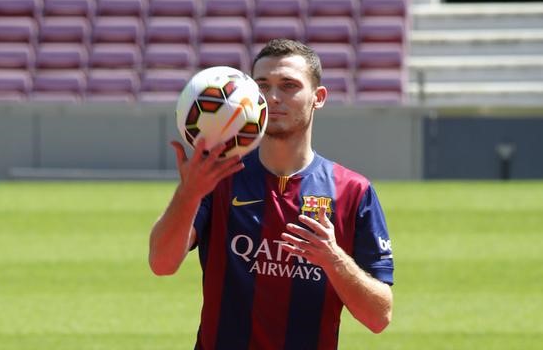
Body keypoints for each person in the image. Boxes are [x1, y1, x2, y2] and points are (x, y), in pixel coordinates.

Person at [148, 39, 394, 350]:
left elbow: (379, 317)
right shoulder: (219, 178)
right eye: (262, 85)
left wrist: (332, 259)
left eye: (289, 85)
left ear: (318, 97)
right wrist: (188, 194)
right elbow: (161, 263)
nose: (273, 97)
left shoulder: (353, 191)